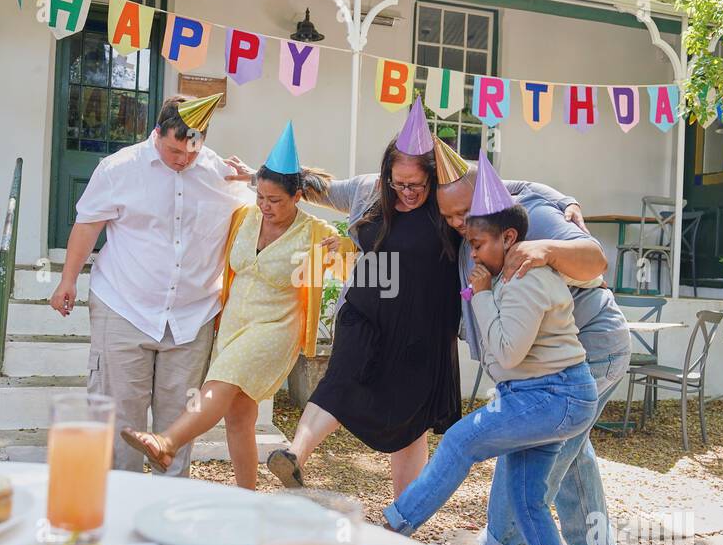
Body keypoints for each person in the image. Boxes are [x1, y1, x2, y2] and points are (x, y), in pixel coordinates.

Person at [383, 160, 598, 545]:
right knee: (527, 498)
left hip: (553, 396)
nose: (472, 252)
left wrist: (478, 296)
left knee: (462, 440)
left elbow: (507, 353)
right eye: (466, 240)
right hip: (545, 395)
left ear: (509, 239)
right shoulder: (503, 275)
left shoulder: (524, 278)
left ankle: (393, 529)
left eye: (477, 243)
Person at [435, 145, 631, 545]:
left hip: (591, 347)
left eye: (462, 213)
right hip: (543, 362)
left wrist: (547, 248)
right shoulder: (479, 222)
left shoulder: (531, 219)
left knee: (525, 444)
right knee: (570, 451)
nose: (456, 223)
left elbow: (596, 259)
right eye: (448, 216)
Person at [120, 124, 352, 490]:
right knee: (239, 414)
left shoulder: (314, 233)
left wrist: (346, 250)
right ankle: (248, 498)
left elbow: (357, 265)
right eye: (261, 197)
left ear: (297, 197)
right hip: (234, 324)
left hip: (275, 328)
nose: (265, 206)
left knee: (222, 380)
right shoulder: (246, 218)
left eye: (275, 200)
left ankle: (167, 442)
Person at [48, 94, 254, 476]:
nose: (182, 160)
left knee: (177, 424)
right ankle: (116, 506)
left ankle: (167, 511)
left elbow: (263, 215)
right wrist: (67, 280)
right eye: (174, 150)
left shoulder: (223, 175)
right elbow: (88, 224)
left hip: (192, 317)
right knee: (118, 417)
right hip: (123, 305)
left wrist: (256, 179)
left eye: (192, 151)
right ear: (156, 132)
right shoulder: (118, 168)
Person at [266, 97, 461, 496]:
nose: (405, 191)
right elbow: (317, 188)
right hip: (366, 312)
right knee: (340, 379)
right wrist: (260, 175)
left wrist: (566, 204)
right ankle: (294, 454)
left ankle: (405, 519)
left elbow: (518, 192)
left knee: (410, 421)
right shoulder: (370, 190)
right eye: (397, 182)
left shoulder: (454, 196)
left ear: (432, 176)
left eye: (415, 185)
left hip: (423, 328)